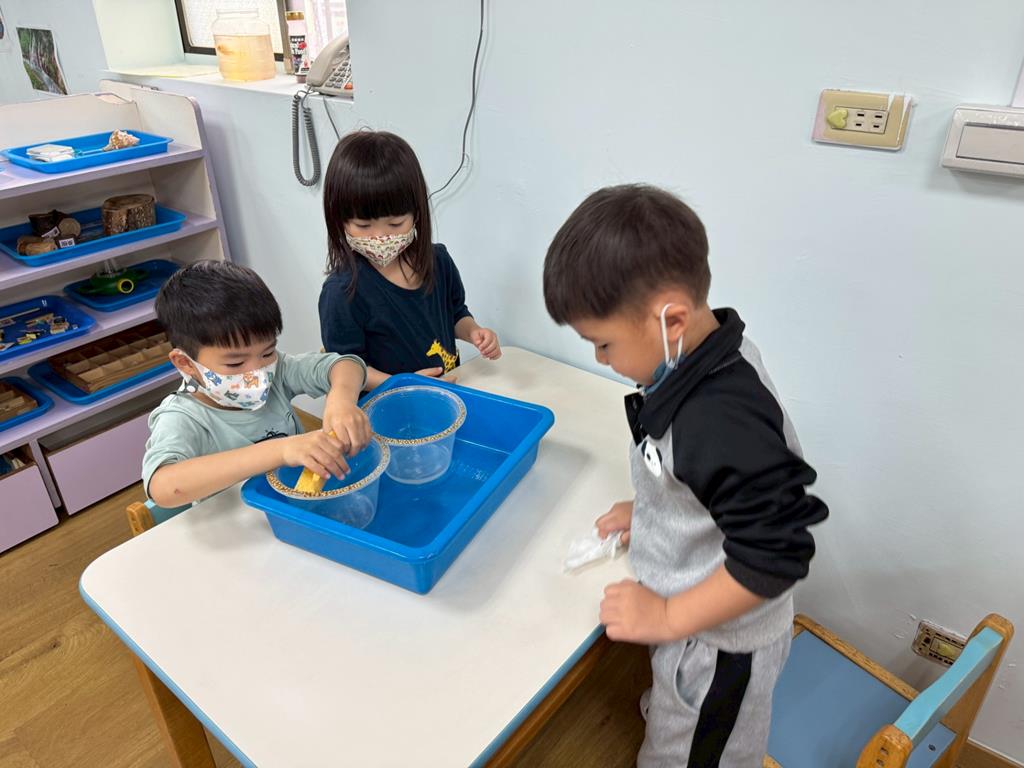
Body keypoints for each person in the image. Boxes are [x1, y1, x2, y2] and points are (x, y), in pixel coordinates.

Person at [543, 184, 829, 766]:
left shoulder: (719, 419)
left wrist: (668, 616)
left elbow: (775, 555)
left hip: (722, 649)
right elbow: (709, 482)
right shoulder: (709, 353)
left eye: (604, 343)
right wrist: (656, 508)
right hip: (695, 632)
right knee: (677, 716)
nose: (601, 359)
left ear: (671, 319)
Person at [144, 261, 370, 508]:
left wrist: (341, 401)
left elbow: (346, 365)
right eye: (235, 363)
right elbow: (163, 487)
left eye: (267, 353)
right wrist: (281, 451)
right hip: (235, 524)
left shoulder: (279, 370)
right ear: (186, 363)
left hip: (293, 508)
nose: (257, 372)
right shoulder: (182, 417)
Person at [319, 130, 500, 390]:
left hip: (444, 391)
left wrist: (474, 332)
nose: (380, 237)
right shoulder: (342, 292)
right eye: (363, 225)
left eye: (395, 224)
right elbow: (345, 369)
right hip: (388, 403)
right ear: (340, 220)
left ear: (416, 213)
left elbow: (456, 314)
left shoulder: (438, 261)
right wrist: (404, 384)